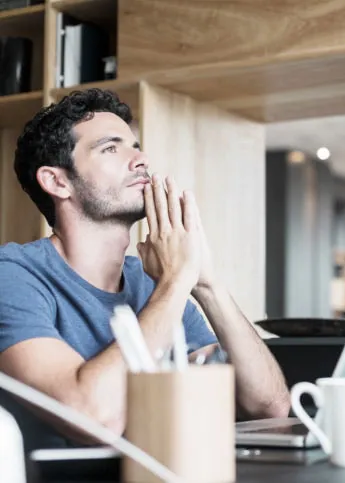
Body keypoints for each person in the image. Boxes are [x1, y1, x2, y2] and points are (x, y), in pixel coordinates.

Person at [0, 88, 290, 450]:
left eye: (135, 145)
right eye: (111, 148)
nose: (141, 159)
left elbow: (269, 408)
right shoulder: (12, 275)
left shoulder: (152, 282)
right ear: (57, 181)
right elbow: (93, 417)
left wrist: (206, 284)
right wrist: (175, 282)